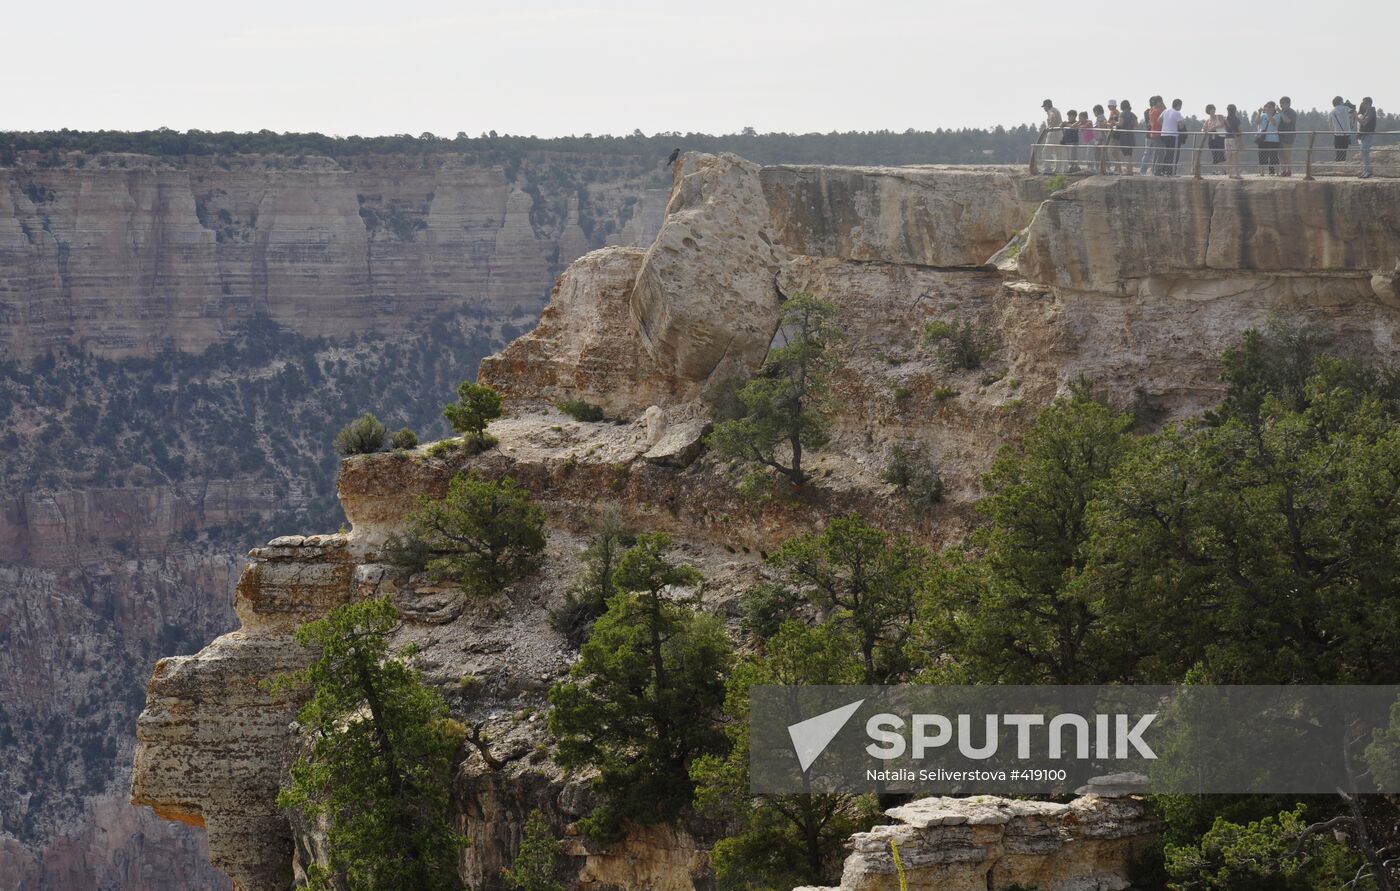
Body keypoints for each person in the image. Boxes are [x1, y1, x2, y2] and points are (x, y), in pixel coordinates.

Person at [1158, 98, 1183, 175]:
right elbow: (1181, 126)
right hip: (1173, 135)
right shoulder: (1177, 113)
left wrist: (1164, 126)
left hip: (1164, 134)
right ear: (1178, 105)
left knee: (1167, 152)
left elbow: (1159, 120)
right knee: (1173, 153)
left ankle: (1163, 170)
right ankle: (1170, 171)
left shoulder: (1165, 111)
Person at [1256, 100, 1281, 175]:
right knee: (1262, 156)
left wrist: (1268, 114)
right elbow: (1257, 122)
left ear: (1274, 108)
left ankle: (1276, 172)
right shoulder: (1262, 115)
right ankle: (1262, 172)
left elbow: (1274, 123)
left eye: (1270, 107)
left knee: (1273, 156)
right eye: (1266, 107)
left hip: (1273, 139)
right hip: (1262, 138)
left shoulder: (1277, 115)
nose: (1268, 108)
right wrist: (1259, 113)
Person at [1141, 97, 1164, 175]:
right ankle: (1150, 170)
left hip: (1150, 134)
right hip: (1154, 134)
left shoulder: (1149, 111)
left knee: (1150, 153)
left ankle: (1146, 170)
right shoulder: (1156, 111)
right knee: (1152, 153)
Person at [1114, 100, 1138, 175]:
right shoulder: (1133, 114)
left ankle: (1128, 171)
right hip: (1131, 135)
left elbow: (1120, 124)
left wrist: (1115, 122)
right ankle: (1130, 170)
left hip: (1124, 136)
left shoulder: (1122, 114)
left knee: (1126, 154)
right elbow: (1137, 125)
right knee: (1130, 154)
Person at [1357, 96, 1377, 178]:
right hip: (1364, 135)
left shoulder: (1371, 110)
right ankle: (1365, 171)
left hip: (1368, 134)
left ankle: (1368, 172)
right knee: (1363, 153)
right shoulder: (1367, 111)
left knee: (1365, 152)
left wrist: (1355, 116)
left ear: (1368, 103)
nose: (1363, 104)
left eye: (1364, 103)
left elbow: (1364, 123)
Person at [1329, 96, 1354, 162]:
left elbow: (1330, 125)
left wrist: (1333, 132)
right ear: (1340, 101)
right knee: (1344, 153)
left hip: (1337, 135)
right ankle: (1342, 164)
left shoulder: (1332, 112)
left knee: (1338, 153)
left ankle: (1337, 165)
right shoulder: (1346, 108)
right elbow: (1353, 113)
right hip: (1346, 135)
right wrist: (1350, 105)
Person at [1276, 96, 1297, 176]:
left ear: (1288, 103)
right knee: (1281, 155)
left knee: (1287, 154)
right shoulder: (1281, 112)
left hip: (1288, 136)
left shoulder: (1292, 112)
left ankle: (1289, 170)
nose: (1281, 105)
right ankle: (1283, 170)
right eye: (1280, 103)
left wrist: (1280, 112)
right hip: (1280, 136)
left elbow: (1287, 121)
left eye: (1282, 103)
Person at [1041, 99, 1063, 172]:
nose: (1044, 108)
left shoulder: (1051, 111)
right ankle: (1058, 169)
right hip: (1059, 132)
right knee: (1058, 151)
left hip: (1053, 132)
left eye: (1044, 106)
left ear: (1047, 106)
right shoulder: (1056, 110)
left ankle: (1047, 168)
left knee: (1046, 151)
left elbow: (1052, 117)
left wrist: (1050, 126)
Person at [1223, 104, 1243, 179]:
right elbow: (1240, 130)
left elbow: (1225, 129)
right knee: (1235, 156)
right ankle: (1237, 173)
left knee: (1229, 156)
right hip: (1234, 138)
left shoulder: (1226, 119)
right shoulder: (1236, 119)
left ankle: (1230, 173)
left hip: (1226, 138)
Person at [1204, 104, 1225, 171]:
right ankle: (1216, 170)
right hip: (1211, 137)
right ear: (1208, 111)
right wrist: (1203, 130)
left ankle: (1223, 170)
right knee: (1214, 153)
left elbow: (1223, 124)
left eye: (1214, 109)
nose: (1213, 110)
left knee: (1221, 153)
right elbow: (1203, 128)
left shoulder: (1219, 117)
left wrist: (1214, 127)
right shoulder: (1208, 120)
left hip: (1219, 136)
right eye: (1211, 109)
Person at [1062, 108, 1081, 173]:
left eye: (1070, 116)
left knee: (1073, 155)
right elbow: (1060, 126)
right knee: (1067, 155)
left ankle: (1075, 167)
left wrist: (1066, 124)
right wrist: (1062, 124)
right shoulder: (1067, 122)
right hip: (1067, 141)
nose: (1068, 117)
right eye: (1068, 116)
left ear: (1074, 116)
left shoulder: (1077, 122)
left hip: (1074, 141)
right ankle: (1070, 167)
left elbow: (1073, 127)